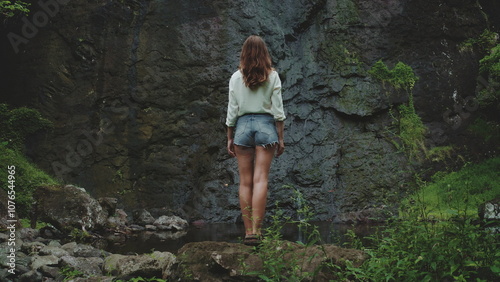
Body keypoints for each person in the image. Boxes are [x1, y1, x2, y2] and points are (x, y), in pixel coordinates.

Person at [226, 35, 286, 245]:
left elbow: (232, 110)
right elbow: (278, 111)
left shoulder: (235, 77)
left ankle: (247, 231)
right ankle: (256, 233)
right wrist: (280, 138)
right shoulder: (273, 76)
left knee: (245, 181)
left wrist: (229, 136)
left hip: (242, 127)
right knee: (261, 179)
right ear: (264, 53)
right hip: (266, 126)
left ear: (243, 53)